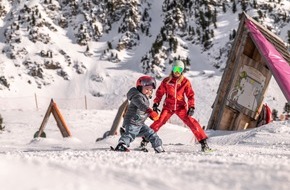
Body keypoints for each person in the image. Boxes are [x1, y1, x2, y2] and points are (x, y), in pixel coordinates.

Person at [140, 60, 211, 152]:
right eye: (175, 68)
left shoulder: (185, 82)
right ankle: (145, 140)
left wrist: (191, 106)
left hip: (180, 107)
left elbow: (190, 95)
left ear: (182, 71)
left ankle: (204, 143)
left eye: (179, 69)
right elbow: (160, 93)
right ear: (172, 69)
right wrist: (156, 103)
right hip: (168, 107)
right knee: (159, 121)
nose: (177, 71)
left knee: (191, 122)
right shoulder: (166, 81)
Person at [113, 75, 165, 153]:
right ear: (140, 88)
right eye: (147, 89)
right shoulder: (137, 96)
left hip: (139, 124)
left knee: (151, 133)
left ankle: (158, 147)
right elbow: (141, 105)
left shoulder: (144, 97)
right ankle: (121, 145)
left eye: (151, 90)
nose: (149, 91)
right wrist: (150, 111)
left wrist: (151, 116)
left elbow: (142, 111)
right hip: (132, 122)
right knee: (130, 134)